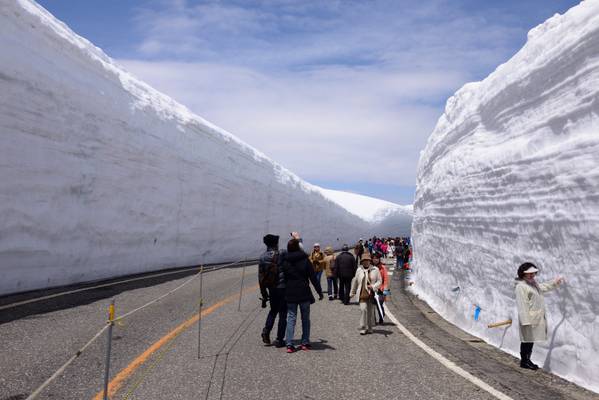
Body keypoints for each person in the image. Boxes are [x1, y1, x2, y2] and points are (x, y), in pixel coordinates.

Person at [514, 262, 565, 370]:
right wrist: (525, 320)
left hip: (534, 318)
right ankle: (524, 361)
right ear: (523, 273)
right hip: (528, 319)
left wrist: (555, 283)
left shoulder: (532, 284)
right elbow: (522, 304)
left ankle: (527, 360)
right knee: (527, 340)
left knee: (530, 339)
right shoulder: (521, 286)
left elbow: (543, 287)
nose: (532, 275)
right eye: (529, 273)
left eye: (533, 273)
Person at [282, 235, 324, 353]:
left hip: (290, 293)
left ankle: (289, 344)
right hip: (304, 292)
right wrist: (319, 292)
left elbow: (283, 278)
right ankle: (305, 342)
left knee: (291, 318)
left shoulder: (285, 261)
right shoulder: (305, 260)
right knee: (305, 318)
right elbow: (313, 278)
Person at [258, 234, 287, 347]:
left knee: (273, 310)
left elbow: (261, 278)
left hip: (271, 288)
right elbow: (298, 252)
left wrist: (264, 294)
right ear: (276, 243)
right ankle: (279, 339)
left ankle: (266, 330)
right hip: (283, 287)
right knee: (283, 313)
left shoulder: (262, 257)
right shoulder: (282, 253)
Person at [349, 253, 382, 335]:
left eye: (367, 260)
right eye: (364, 261)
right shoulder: (359, 270)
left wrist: (373, 286)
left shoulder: (375, 269)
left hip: (371, 294)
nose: (366, 262)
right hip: (362, 294)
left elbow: (379, 281)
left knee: (370, 311)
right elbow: (355, 282)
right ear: (362, 262)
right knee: (363, 310)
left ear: (370, 261)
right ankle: (363, 327)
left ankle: (370, 327)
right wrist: (352, 292)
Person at [372, 252, 389, 324]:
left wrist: (385, 290)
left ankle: (381, 317)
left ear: (379, 259)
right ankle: (373, 320)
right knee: (372, 304)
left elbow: (385, 279)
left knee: (379, 304)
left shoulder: (383, 267)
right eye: (374, 258)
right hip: (372, 289)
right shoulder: (370, 267)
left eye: (377, 258)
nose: (375, 260)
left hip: (380, 289)